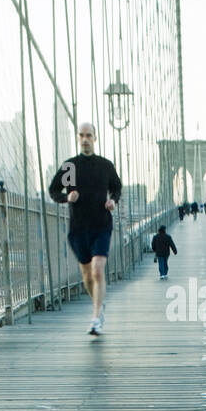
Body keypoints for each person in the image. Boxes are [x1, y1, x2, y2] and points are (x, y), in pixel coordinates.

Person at [49, 122, 122, 337]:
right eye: (81, 135)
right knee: (87, 275)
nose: (85, 139)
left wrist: (113, 200)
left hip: (101, 224)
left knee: (98, 269)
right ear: (78, 137)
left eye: (89, 135)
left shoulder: (104, 166)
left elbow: (116, 187)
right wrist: (66, 197)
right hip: (78, 227)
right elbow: (54, 190)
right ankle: (98, 304)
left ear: (95, 138)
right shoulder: (70, 167)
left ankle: (96, 314)